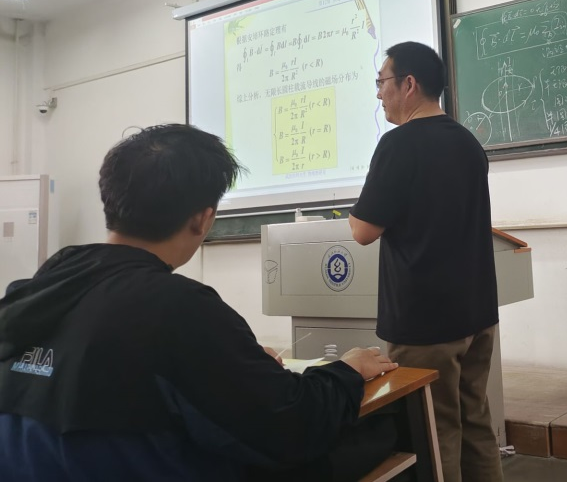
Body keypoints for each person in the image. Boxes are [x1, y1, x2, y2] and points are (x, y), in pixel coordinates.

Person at [0, 123, 398, 481]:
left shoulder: (41, 285)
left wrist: (235, 359)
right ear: (203, 219)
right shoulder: (179, 307)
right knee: (381, 433)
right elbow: (291, 426)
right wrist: (346, 370)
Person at [348, 41, 502, 482]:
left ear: (409, 84)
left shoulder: (399, 144)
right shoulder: (468, 142)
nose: (378, 93)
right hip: (477, 313)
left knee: (436, 431)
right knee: (475, 420)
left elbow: (362, 231)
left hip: (426, 321)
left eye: (382, 81)